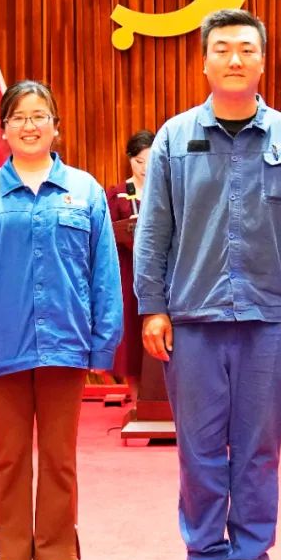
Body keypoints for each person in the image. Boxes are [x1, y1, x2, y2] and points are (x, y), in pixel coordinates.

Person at [134, 8, 281, 560]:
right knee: (197, 445)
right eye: (222, 49)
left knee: (258, 446)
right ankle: (203, 554)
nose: (235, 59)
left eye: (246, 48)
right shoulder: (174, 138)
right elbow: (154, 228)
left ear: (263, 60)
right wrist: (152, 305)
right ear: (204, 61)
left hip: (270, 319)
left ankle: (249, 555)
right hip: (192, 318)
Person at [0, 80, 123, 560]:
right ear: (3, 129)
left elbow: (104, 275)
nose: (29, 125)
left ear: (56, 126)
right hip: (3, 344)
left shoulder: (84, 191)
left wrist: (102, 343)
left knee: (60, 458)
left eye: (39, 115)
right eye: (18, 117)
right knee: (10, 458)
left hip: (66, 343)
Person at [106, 129, 154, 399]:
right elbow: (106, 234)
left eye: (151, 160)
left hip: (162, 274)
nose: (145, 168)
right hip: (128, 271)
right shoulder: (118, 194)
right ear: (129, 160)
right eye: (139, 161)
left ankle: (164, 399)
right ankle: (137, 398)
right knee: (132, 333)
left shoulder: (169, 190)